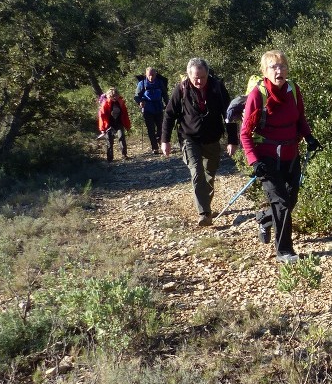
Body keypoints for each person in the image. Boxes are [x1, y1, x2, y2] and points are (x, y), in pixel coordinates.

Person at [240, 50, 321, 262]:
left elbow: (300, 118)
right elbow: (245, 132)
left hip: (291, 155)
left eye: (282, 66)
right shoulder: (258, 95)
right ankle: (284, 251)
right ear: (265, 72)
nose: (279, 71)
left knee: (290, 200)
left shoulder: (293, 90)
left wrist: (309, 136)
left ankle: (264, 219)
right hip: (267, 159)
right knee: (282, 203)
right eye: (273, 67)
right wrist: (254, 161)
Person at [161, 58, 237, 227]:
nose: (199, 81)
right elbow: (169, 115)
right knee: (197, 173)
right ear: (189, 75)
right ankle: (204, 213)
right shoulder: (181, 89)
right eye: (196, 77)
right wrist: (164, 140)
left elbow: (229, 114)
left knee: (210, 175)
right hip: (189, 138)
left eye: (202, 77)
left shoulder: (217, 87)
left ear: (207, 74)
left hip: (212, 138)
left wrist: (233, 140)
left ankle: (205, 204)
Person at [134, 67, 166, 154]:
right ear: (146, 75)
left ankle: (159, 140)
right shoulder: (142, 84)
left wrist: (168, 104)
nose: (151, 77)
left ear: (156, 74)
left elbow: (165, 94)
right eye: (149, 75)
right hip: (147, 108)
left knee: (161, 127)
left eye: (152, 75)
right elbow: (136, 96)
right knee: (150, 129)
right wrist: (140, 102)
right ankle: (154, 147)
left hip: (159, 107)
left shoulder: (160, 82)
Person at [97, 88, 131, 162]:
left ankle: (124, 155)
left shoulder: (121, 103)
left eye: (116, 95)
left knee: (121, 137)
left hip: (119, 123)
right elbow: (102, 117)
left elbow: (125, 114)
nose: (114, 97)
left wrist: (127, 125)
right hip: (109, 125)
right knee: (109, 140)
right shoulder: (105, 104)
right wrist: (102, 129)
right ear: (109, 96)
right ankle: (110, 158)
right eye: (112, 96)